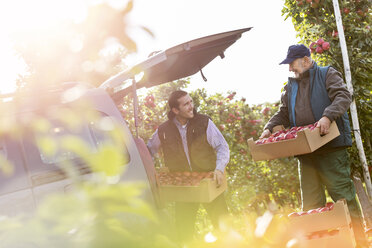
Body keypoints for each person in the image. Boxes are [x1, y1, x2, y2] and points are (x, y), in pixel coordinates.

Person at [259, 44, 368, 247]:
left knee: (343, 198)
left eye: (292, 64)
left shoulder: (327, 74)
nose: (290, 68)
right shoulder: (291, 86)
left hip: (331, 148)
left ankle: (361, 243)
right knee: (310, 206)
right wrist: (269, 127)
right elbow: (283, 111)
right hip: (305, 152)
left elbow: (344, 96)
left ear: (306, 60)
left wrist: (327, 116)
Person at [147, 90, 230, 242]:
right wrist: (151, 173)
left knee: (223, 227)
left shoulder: (204, 122)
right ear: (175, 110)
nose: (191, 106)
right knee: (184, 234)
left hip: (208, 182)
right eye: (186, 104)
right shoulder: (164, 130)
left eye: (191, 101)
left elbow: (222, 147)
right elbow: (148, 151)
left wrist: (219, 169)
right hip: (183, 187)